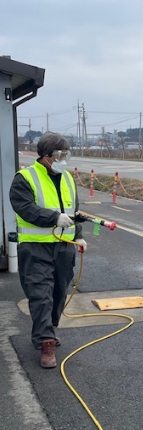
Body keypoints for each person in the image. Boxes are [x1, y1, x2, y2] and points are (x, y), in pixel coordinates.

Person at [9, 133, 87, 369]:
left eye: (66, 154)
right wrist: (54, 218)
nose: (63, 159)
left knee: (59, 293)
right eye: (59, 155)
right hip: (35, 248)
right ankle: (46, 343)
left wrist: (78, 235)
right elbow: (25, 208)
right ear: (45, 156)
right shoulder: (25, 178)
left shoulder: (68, 179)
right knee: (41, 295)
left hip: (64, 247)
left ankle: (50, 329)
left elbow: (73, 212)